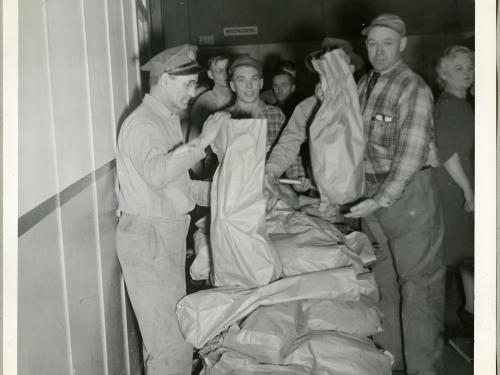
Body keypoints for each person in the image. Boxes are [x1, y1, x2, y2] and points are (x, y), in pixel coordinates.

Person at [115, 44, 229, 375]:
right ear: (165, 79)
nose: (193, 93)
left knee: (176, 338)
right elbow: (157, 174)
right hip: (150, 237)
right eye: (189, 85)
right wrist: (204, 140)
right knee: (169, 346)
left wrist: (226, 193)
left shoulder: (164, 120)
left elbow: (174, 184)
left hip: (164, 234)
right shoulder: (143, 124)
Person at [344, 14, 445, 375]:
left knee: (418, 287)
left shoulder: (412, 87)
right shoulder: (365, 82)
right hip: (373, 194)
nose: (379, 51)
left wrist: (379, 199)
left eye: (387, 43)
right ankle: (391, 362)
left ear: (402, 44)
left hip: (407, 195)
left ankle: (423, 369)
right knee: (384, 280)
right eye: (372, 43)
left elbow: (411, 154)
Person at [264, 38, 364, 207]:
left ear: (350, 70)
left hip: (365, 195)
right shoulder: (308, 107)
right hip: (322, 196)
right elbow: (289, 141)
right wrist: (271, 171)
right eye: (324, 70)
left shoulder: (364, 101)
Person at [225, 55, 308, 184]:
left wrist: (298, 178)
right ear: (232, 85)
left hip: (272, 190)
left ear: (261, 83)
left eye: (254, 79)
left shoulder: (276, 115)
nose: (249, 86)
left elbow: (290, 152)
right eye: (241, 80)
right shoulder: (224, 119)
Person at [434, 45, 474, 265]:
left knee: (469, 251)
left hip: (465, 183)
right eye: (459, 68)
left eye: (470, 67)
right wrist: (468, 190)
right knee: (463, 252)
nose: (467, 72)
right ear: (444, 74)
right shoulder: (447, 106)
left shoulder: (462, 103)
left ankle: (471, 301)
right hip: (456, 186)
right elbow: (447, 153)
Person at [189, 55, 234, 178]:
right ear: (210, 74)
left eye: (228, 69)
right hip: (212, 166)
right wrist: (199, 176)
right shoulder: (204, 102)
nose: (225, 74)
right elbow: (193, 141)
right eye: (219, 71)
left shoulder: (240, 97)